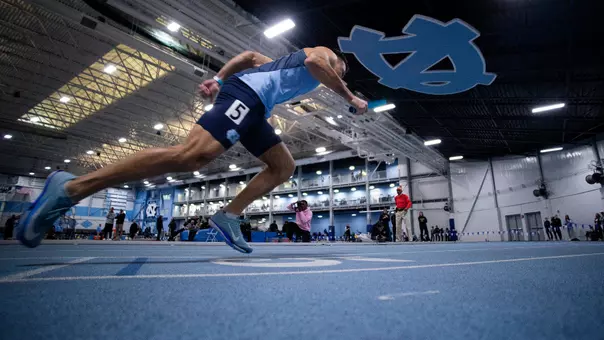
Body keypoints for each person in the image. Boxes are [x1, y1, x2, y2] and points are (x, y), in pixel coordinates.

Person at [17, 46, 367, 253]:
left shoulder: (278, 64)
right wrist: (349, 95)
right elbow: (317, 65)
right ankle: (71, 188)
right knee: (193, 155)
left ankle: (227, 215)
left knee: (282, 166)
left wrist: (217, 78)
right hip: (247, 94)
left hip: (257, 107)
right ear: (337, 64)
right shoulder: (323, 55)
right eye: (342, 72)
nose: (339, 77)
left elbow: (247, 56)